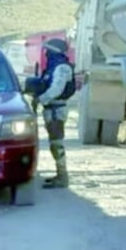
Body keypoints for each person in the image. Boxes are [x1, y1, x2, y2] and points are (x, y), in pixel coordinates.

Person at [31, 38, 76, 189]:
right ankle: (60, 174)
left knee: (57, 143)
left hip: (57, 109)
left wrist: (41, 99)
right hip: (51, 109)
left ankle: (63, 177)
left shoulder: (62, 67)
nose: (46, 54)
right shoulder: (53, 67)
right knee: (54, 143)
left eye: (47, 50)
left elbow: (56, 89)